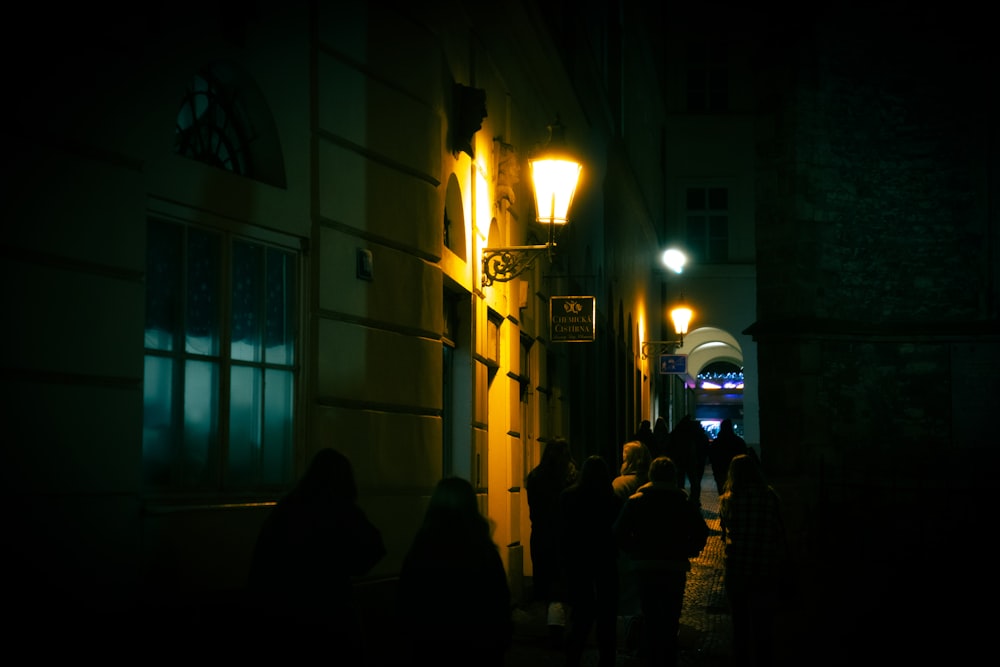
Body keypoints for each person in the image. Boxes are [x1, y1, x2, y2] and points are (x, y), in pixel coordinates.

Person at [247, 448, 386, 649]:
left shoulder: (287, 509)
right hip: (330, 610)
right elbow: (374, 547)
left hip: (281, 612)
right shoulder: (340, 510)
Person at [396, 476, 513, 667]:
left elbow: (407, 599)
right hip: (477, 648)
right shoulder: (482, 550)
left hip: (431, 648)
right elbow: (499, 599)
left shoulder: (423, 548)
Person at [614, 456, 709, 667]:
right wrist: (689, 549)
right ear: (673, 476)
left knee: (649, 610)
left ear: (651, 475)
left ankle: (649, 653)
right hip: (674, 567)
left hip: (645, 566)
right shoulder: (682, 502)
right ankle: (668, 653)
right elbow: (701, 531)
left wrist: (634, 550)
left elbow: (618, 533)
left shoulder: (636, 501)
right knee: (671, 612)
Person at [718, 454, 789, 667]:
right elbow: (779, 532)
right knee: (763, 626)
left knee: (739, 626)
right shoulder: (770, 497)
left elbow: (725, 533)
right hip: (764, 567)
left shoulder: (727, 499)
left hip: (737, 567)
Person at [558, 455, 622, 667]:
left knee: (581, 614)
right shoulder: (612, 500)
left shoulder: (568, 497)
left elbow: (562, 530)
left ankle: (573, 656)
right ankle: (607, 659)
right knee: (607, 616)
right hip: (605, 559)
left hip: (578, 560)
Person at [525, 437, 578, 646]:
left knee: (547, 582)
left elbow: (533, 508)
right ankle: (559, 626)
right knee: (561, 583)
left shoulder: (536, 476)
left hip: (540, 535)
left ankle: (553, 625)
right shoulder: (569, 477)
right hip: (564, 536)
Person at [612, 439, 652, 657]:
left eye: (625, 456)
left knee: (628, 593)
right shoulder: (650, 481)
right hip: (650, 545)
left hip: (627, 546)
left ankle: (631, 636)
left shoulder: (619, 484)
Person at [709, 418, 749, 495]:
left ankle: (724, 504)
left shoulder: (717, 442)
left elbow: (712, 456)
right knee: (735, 491)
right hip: (736, 470)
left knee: (722, 491)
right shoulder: (738, 441)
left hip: (720, 470)